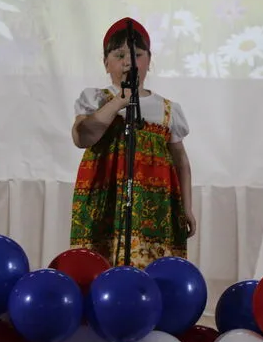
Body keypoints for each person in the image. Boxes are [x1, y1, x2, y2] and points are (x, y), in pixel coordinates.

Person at [69, 17, 196, 268]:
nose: (128, 62)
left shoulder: (167, 109)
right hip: (105, 199)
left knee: (152, 266)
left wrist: (187, 207)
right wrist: (120, 101)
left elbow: (180, 160)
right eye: (119, 55)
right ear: (106, 63)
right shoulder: (98, 99)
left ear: (149, 60)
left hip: (153, 203)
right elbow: (82, 137)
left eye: (137, 55)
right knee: (98, 264)